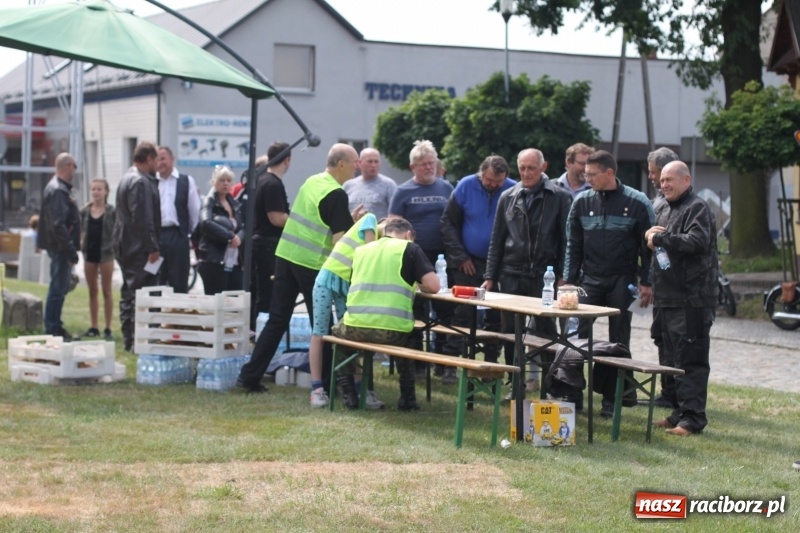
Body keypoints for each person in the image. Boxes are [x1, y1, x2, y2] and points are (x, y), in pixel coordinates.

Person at [237, 143, 361, 393]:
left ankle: (249, 377)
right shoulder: (337, 194)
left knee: (277, 319)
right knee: (322, 326)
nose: (357, 167)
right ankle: (327, 383)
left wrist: (349, 220)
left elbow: (316, 218)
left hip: (286, 256)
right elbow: (340, 242)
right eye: (355, 162)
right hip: (312, 265)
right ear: (341, 164)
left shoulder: (312, 181)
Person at [562, 150, 654, 417]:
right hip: (589, 279)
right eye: (585, 174)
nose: (586, 178)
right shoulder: (581, 202)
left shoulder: (637, 202)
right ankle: (572, 392)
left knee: (618, 340)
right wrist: (568, 281)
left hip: (622, 280)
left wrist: (646, 282)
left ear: (610, 173)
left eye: (592, 174)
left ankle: (613, 399)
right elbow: (573, 245)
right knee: (573, 334)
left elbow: (647, 248)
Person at [332, 217, 440, 411]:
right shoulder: (410, 248)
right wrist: (417, 283)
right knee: (411, 337)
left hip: (354, 327)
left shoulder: (362, 250)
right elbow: (434, 286)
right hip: (392, 331)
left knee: (336, 335)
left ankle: (349, 393)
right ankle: (407, 398)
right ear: (408, 235)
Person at [483, 148, 572, 370]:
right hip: (511, 273)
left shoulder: (560, 196)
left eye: (531, 168)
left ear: (543, 167)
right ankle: (514, 381)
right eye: (522, 168)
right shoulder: (508, 196)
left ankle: (550, 383)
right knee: (510, 332)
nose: (526, 172)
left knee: (546, 332)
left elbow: (566, 240)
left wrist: (565, 276)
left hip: (545, 274)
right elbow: (497, 240)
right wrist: (489, 276)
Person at [646, 161, 717, 436]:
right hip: (666, 297)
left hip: (692, 299)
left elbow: (697, 241)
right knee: (669, 358)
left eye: (670, 180)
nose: (664, 185)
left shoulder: (697, 208)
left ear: (686, 180)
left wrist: (662, 239)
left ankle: (692, 419)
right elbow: (657, 240)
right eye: (662, 180)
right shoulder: (662, 206)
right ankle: (677, 413)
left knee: (691, 360)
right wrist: (649, 235)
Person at [388, 140, 458, 384]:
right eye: (423, 164)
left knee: (446, 309)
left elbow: (454, 219)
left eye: (432, 163)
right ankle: (417, 362)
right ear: (412, 167)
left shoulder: (446, 187)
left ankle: (444, 362)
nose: (429, 167)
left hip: (443, 256)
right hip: (413, 257)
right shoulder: (403, 191)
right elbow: (393, 226)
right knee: (416, 310)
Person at [441, 154, 515, 364]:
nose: (493, 185)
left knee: (495, 316)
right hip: (467, 262)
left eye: (498, 182)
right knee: (462, 313)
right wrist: (460, 256)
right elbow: (447, 223)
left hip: (499, 264)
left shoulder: (513, 190)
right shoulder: (465, 185)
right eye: (489, 180)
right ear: (481, 173)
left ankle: (490, 362)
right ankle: (450, 363)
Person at [308, 212, 379, 409]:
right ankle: (317, 389)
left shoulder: (370, 228)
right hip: (327, 280)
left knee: (350, 336)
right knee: (319, 333)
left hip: (345, 284)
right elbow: (368, 255)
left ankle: (358, 388)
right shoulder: (371, 219)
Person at [113, 141, 161, 352]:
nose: (158, 165)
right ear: (149, 158)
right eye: (157, 159)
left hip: (125, 243)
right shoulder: (140, 182)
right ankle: (135, 340)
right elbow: (142, 218)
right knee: (139, 294)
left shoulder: (127, 177)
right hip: (137, 246)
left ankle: (129, 339)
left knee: (129, 292)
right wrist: (152, 246)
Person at [646, 147, 680, 409]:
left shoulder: (681, 204)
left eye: (655, 173)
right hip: (660, 281)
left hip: (677, 287)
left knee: (676, 341)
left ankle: (677, 393)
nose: (652, 177)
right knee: (661, 337)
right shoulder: (657, 200)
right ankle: (668, 390)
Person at [37, 152, 81, 340]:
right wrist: (70, 250)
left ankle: (55, 325)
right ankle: (53, 328)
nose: (75, 171)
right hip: (61, 248)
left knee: (60, 287)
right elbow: (58, 224)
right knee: (57, 288)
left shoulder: (57, 188)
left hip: (59, 246)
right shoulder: (58, 190)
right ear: (68, 166)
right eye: (74, 166)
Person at [249, 142, 291, 329]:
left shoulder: (263, 180)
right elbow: (276, 218)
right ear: (287, 161)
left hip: (262, 243)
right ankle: (262, 334)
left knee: (264, 293)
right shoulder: (272, 183)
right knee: (268, 293)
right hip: (268, 245)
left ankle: (259, 332)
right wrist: (298, 222)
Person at [156, 146, 200, 293]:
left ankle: (179, 313)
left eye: (163, 158)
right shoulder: (151, 181)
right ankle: (155, 313)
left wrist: (186, 234)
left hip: (178, 236)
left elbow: (194, 210)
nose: (160, 163)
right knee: (155, 277)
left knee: (179, 279)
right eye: (157, 159)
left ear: (172, 159)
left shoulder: (186, 181)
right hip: (156, 238)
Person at [197, 166, 244, 294]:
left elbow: (243, 226)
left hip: (234, 259)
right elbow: (205, 223)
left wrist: (239, 236)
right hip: (214, 259)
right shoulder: (209, 201)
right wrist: (229, 236)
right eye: (222, 180)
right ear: (214, 182)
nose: (225, 183)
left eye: (228, 180)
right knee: (216, 298)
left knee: (234, 297)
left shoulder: (235, 204)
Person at [79, 178, 116, 341]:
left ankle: (108, 327)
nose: (96, 192)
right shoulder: (84, 211)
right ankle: (94, 326)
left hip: (107, 254)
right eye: (93, 189)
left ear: (106, 192)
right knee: (92, 290)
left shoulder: (112, 211)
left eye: (99, 189)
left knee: (107, 290)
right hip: (89, 254)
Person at [343, 147, 397, 221]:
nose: (373, 165)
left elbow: (396, 215)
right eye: (370, 161)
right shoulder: (348, 185)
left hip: (377, 231)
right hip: (352, 231)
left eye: (376, 161)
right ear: (360, 163)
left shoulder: (389, 185)